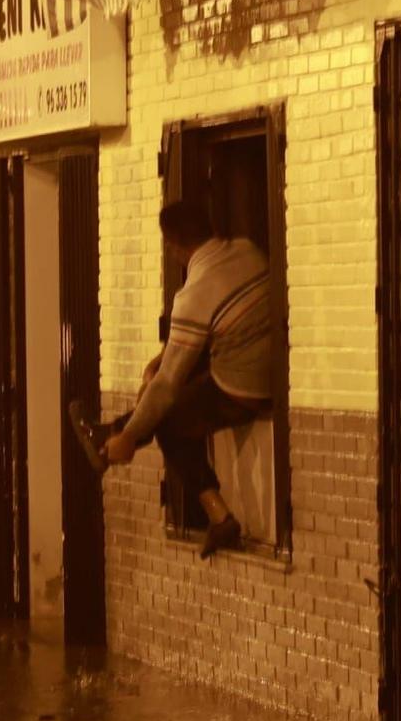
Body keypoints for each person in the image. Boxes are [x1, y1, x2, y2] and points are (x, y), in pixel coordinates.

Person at [70, 200, 274, 558]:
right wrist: (162, 360)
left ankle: (220, 516)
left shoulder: (194, 293)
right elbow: (210, 332)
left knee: (168, 421)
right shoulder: (247, 251)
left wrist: (131, 437)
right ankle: (105, 434)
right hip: (272, 368)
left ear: (174, 246)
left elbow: (165, 388)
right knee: (170, 380)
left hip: (244, 387)